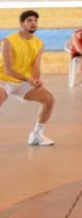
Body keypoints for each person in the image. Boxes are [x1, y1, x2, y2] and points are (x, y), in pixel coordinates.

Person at [0, 10, 55, 146]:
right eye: (29, 20)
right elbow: (8, 69)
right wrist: (27, 79)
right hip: (2, 79)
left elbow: (35, 66)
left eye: (35, 20)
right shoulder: (8, 41)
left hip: (22, 82)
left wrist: (35, 81)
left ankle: (36, 135)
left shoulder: (39, 44)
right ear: (21, 23)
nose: (33, 23)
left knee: (49, 99)